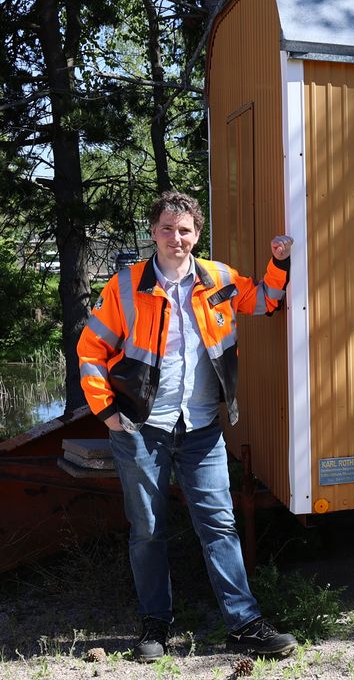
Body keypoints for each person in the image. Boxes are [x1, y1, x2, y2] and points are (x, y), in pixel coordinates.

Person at [77, 191, 298, 661]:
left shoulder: (218, 278)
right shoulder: (125, 286)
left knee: (219, 525)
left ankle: (244, 624)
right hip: (139, 429)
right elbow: (90, 350)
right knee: (147, 530)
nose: (175, 238)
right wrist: (107, 413)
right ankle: (155, 626)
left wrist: (279, 262)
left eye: (185, 230)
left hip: (201, 428)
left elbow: (265, 302)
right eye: (166, 228)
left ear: (197, 234)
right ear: (152, 232)